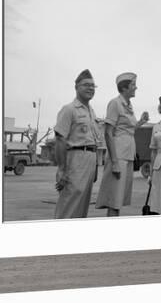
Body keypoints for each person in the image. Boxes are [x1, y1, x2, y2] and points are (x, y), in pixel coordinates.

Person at [96, 72, 149, 217]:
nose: (136, 87)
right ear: (124, 88)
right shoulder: (115, 103)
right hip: (118, 156)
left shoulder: (128, 105)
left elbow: (128, 130)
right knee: (114, 200)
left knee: (118, 200)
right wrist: (114, 162)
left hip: (127, 156)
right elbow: (108, 132)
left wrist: (141, 122)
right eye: (133, 85)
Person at [54, 69, 101, 219]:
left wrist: (95, 168)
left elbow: (93, 141)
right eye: (86, 85)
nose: (90, 88)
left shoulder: (91, 112)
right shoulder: (69, 110)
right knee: (69, 204)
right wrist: (61, 169)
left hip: (89, 161)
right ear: (76, 87)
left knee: (82, 207)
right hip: (75, 160)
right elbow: (60, 140)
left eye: (93, 86)